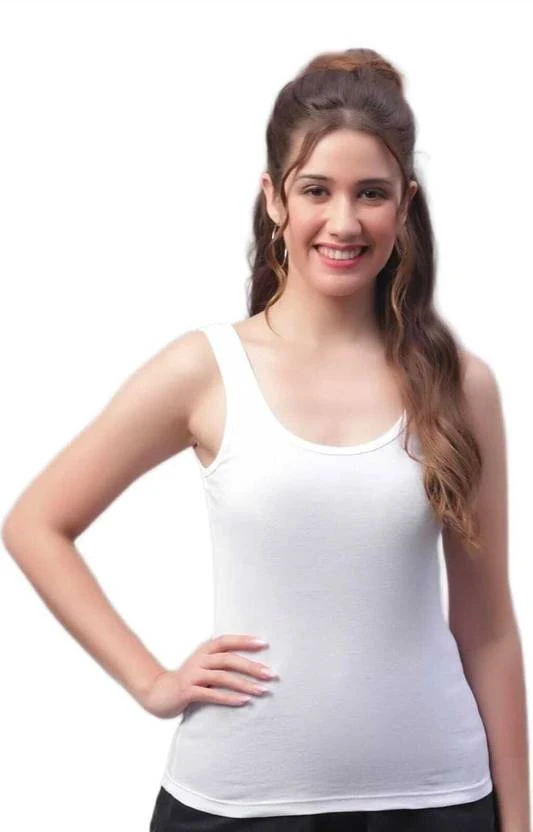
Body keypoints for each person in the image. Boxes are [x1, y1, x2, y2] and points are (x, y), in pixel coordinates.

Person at [2, 47, 526, 831]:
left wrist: (518, 822)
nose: (343, 222)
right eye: (316, 190)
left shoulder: (459, 384)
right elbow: (36, 523)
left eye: (371, 193)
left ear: (404, 204)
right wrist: (150, 681)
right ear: (274, 198)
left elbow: (486, 627)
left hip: (435, 801)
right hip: (238, 804)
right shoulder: (205, 370)